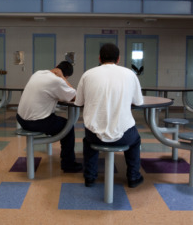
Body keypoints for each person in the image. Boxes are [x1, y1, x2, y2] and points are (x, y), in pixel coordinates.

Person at [75, 43, 144, 188]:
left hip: (94, 134)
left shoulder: (87, 74)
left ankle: (90, 177)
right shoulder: (130, 74)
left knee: (88, 142)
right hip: (125, 134)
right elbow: (138, 101)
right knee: (135, 140)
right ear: (118, 59)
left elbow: (79, 102)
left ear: (99, 58)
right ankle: (133, 177)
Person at [16, 61, 82, 173]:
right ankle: (68, 164)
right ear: (66, 76)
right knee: (68, 127)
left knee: (53, 117)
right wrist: (63, 78)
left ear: (56, 67)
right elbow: (76, 96)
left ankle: (66, 160)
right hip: (36, 122)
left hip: (20, 118)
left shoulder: (38, 73)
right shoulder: (57, 81)